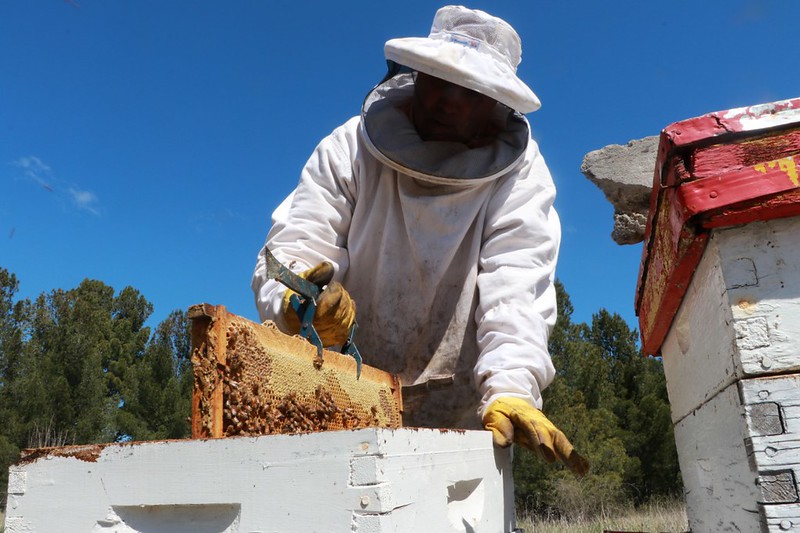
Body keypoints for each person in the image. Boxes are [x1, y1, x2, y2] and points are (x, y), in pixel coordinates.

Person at [252, 5, 587, 475]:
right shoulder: (349, 147)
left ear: (496, 104)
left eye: (470, 91)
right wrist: (296, 299)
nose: (449, 102)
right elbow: (296, 243)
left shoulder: (521, 175)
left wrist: (512, 385)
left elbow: (517, 287)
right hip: (342, 394)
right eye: (438, 80)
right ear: (415, 75)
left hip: (466, 418)